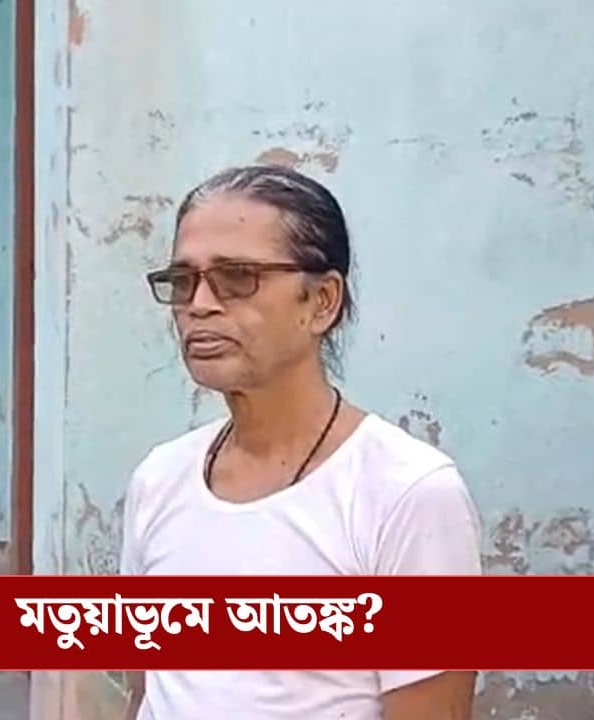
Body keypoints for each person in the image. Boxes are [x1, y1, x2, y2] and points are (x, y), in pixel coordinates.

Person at [119, 165, 483, 720]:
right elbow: (147, 692)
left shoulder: (407, 493)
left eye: (237, 277)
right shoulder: (159, 480)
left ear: (322, 302)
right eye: (184, 280)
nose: (199, 304)